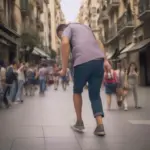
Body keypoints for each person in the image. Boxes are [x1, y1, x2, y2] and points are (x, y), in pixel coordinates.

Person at [56, 23, 111, 136]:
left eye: (60, 36)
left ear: (62, 31)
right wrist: (105, 60)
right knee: (95, 95)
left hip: (82, 62)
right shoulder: (86, 27)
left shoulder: (68, 29)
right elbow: (98, 43)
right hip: (98, 61)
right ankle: (100, 126)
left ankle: (79, 122)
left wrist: (64, 68)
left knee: (77, 91)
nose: (61, 38)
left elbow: (65, 43)